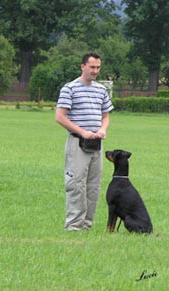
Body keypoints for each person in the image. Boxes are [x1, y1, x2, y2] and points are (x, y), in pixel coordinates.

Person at [55, 52, 114, 231]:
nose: (95, 71)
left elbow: (106, 116)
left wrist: (102, 130)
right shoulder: (70, 88)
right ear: (83, 66)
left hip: (96, 144)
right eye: (92, 67)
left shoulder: (101, 90)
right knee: (76, 185)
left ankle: (86, 225)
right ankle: (74, 226)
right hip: (78, 143)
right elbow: (59, 117)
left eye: (98, 67)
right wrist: (83, 132)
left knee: (93, 186)